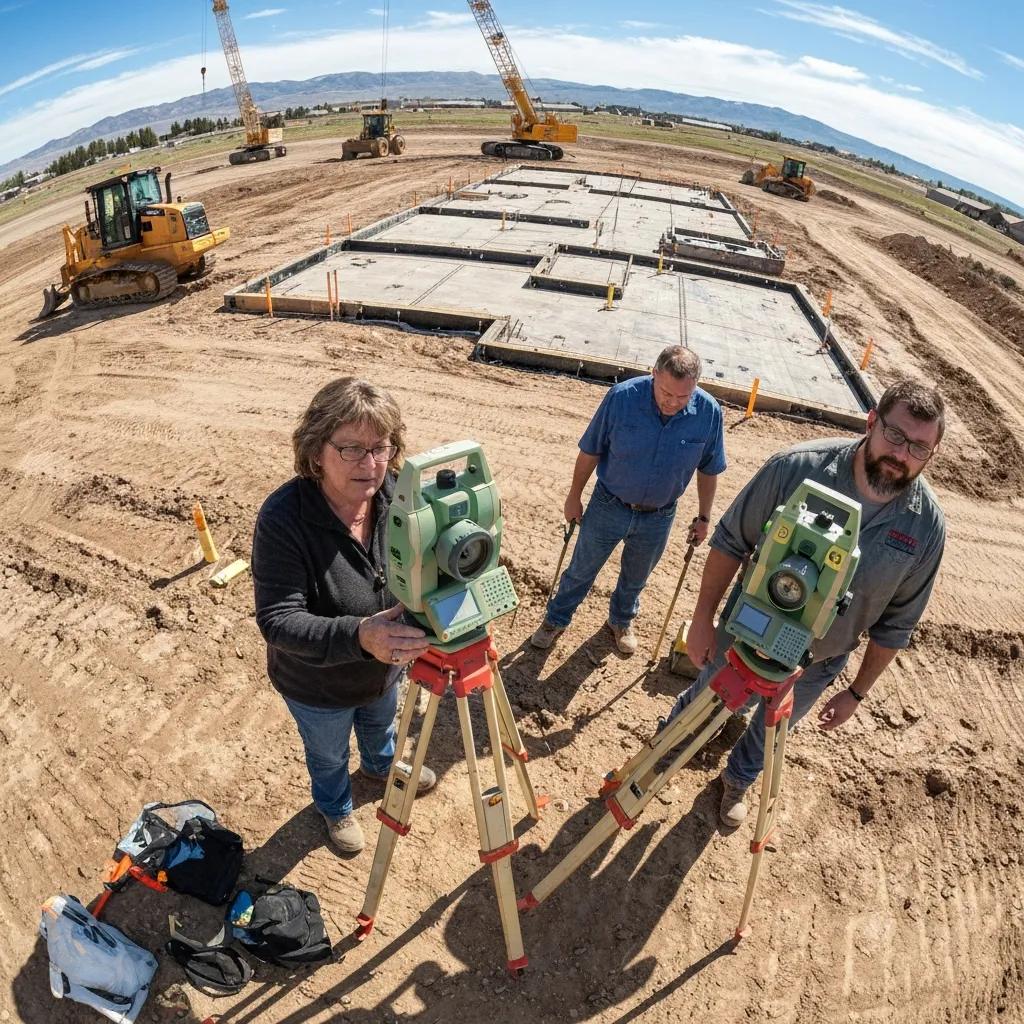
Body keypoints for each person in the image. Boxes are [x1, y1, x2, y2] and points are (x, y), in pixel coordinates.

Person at [667, 379, 946, 827]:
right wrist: (702, 621)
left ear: (930, 454)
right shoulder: (798, 469)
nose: (901, 454)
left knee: (771, 732)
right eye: (894, 435)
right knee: (707, 694)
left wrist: (857, 692)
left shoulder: (925, 528)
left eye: (918, 447)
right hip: (746, 629)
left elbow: (897, 624)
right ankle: (671, 745)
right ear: (872, 421)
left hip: (819, 659)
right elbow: (730, 541)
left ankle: (737, 778)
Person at [252, 378, 436, 855]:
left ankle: (381, 766)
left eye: (380, 447)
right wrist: (360, 635)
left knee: (382, 726)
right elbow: (278, 618)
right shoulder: (284, 518)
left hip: (384, 669)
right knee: (329, 754)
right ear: (316, 452)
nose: (370, 464)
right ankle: (335, 808)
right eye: (351, 449)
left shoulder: (397, 495)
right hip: (318, 686)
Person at [531, 345, 727, 655]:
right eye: (666, 393)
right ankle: (556, 619)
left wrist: (704, 518)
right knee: (581, 569)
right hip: (609, 504)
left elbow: (709, 468)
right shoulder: (621, 398)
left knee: (636, 578)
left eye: (683, 397)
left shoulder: (708, 413)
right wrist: (573, 496)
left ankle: (621, 620)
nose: (673, 403)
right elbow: (591, 450)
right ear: (654, 374)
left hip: (659, 516)